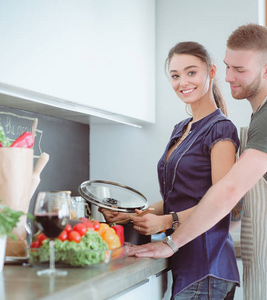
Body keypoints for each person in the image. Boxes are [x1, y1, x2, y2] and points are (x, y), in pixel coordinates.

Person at [129, 24, 267, 300]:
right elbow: (235, 203)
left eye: (240, 70)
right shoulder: (261, 114)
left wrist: (171, 242)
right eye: (227, 66)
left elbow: (230, 190)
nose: (229, 77)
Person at [100, 41, 241, 299]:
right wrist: (130, 215)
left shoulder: (221, 129)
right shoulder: (182, 129)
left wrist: (166, 222)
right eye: (175, 76)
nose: (182, 82)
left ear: (211, 72)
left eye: (191, 72)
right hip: (185, 260)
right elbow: (179, 198)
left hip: (207, 265)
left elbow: (223, 204)